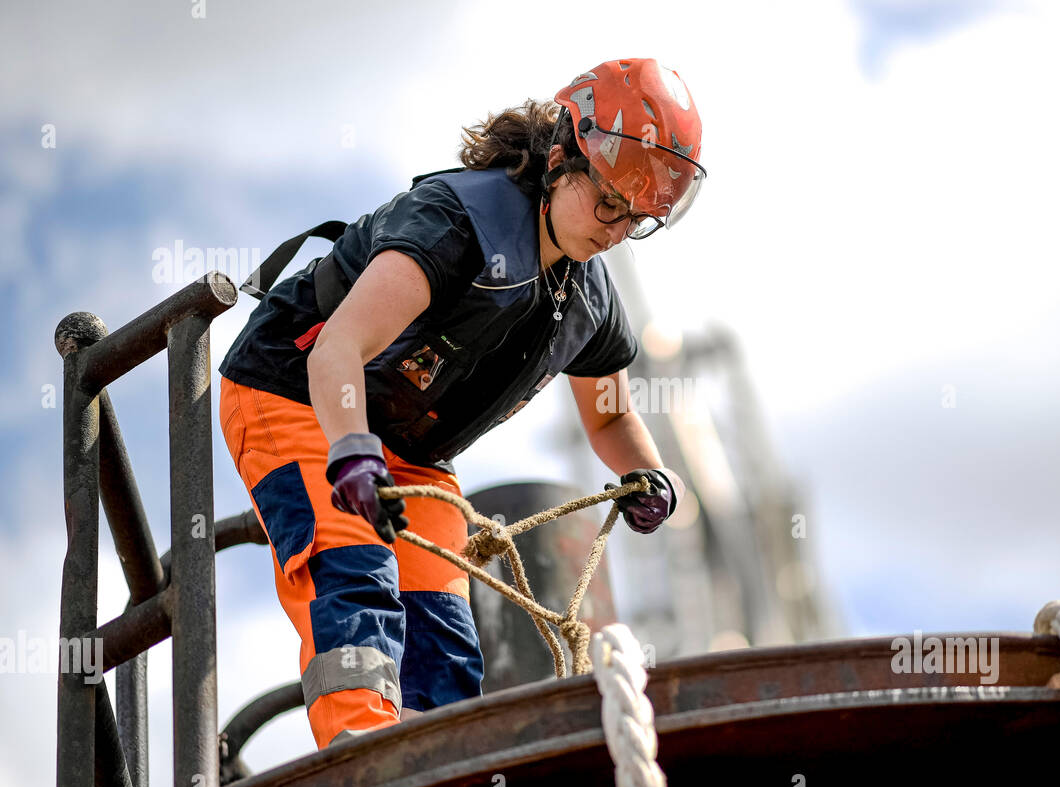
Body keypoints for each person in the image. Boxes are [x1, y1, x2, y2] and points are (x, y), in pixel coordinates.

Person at [216, 58, 706, 750]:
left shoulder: (590, 300)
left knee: (443, 634)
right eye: (608, 203)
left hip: (410, 449)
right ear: (562, 154)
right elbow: (339, 351)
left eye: (636, 219)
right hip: (297, 392)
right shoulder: (458, 223)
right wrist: (351, 453)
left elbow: (610, 416)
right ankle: (364, 761)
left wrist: (651, 475)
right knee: (356, 571)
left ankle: (439, 768)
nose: (616, 230)